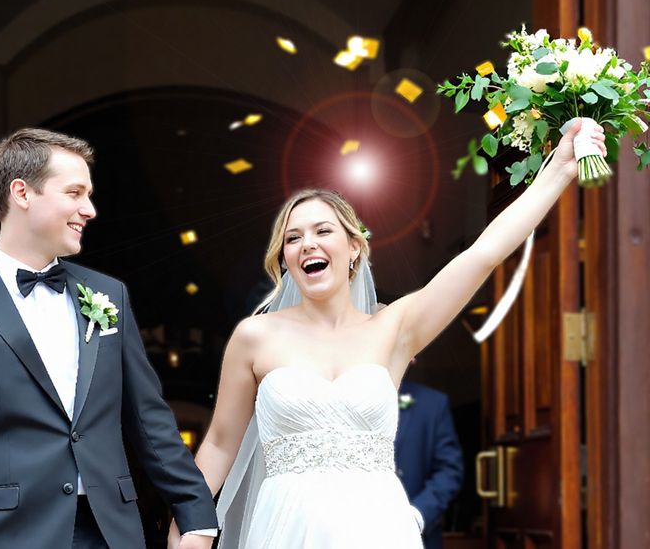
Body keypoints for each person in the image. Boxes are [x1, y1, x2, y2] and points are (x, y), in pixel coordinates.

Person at [168, 119, 605, 547]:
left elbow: (484, 254)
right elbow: (221, 446)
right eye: (293, 238)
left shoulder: (395, 327)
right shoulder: (255, 337)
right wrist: (188, 529)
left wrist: (561, 169)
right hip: (285, 526)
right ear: (284, 258)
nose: (307, 245)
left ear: (354, 247)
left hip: (376, 525)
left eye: (323, 231)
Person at [0, 128, 217, 549]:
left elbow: (149, 419)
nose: (89, 209)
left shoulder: (109, 297)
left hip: (110, 532)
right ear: (22, 193)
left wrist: (197, 516)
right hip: (3, 537)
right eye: (74, 192)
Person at [395, 379, 464, 549]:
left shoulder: (432, 403)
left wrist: (418, 514)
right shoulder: (343, 401)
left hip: (418, 538)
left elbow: (450, 471)